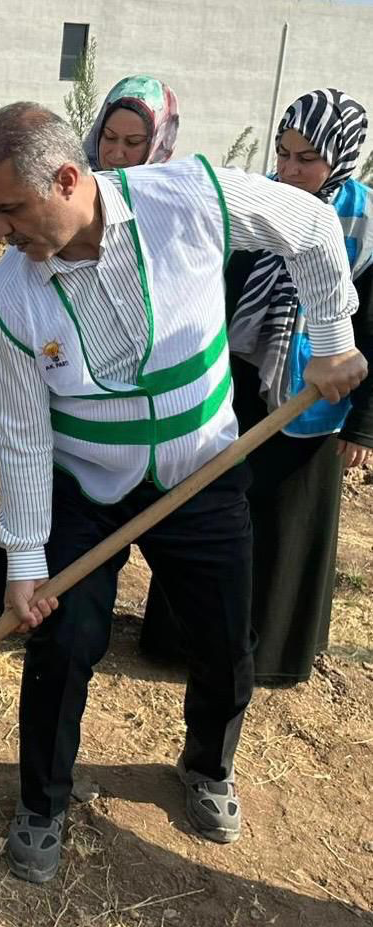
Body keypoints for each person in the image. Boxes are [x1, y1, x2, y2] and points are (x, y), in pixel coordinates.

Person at [0, 103, 366, 884]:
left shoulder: (186, 198)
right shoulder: (10, 294)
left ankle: (206, 765)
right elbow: (21, 435)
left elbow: (312, 226)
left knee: (223, 641)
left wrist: (331, 339)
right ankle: (41, 804)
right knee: (61, 646)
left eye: (8, 208)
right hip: (86, 489)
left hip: (203, 471)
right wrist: (25, 559)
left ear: (68, 179)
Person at [141, 89, 373, 685]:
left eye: (307, 159)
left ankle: (269, 655)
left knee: (283, 526)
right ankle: (180, 639)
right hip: (236, 387)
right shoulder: (257, 206)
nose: (290, 170)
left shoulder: (365, 226)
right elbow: (211, 289)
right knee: (212, 509)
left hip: (315, 402)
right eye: (283, 153)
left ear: (341, 157)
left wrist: (364, 425)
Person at [0, 75, 180, 623]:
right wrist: (25, 554)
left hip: (179, 461)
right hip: (82, 469)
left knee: (214, 627)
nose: (117, 154)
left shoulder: (171, 218)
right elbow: (21, 430)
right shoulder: (24, 273)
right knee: (64, 630)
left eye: (133, 142)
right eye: (109, 138)